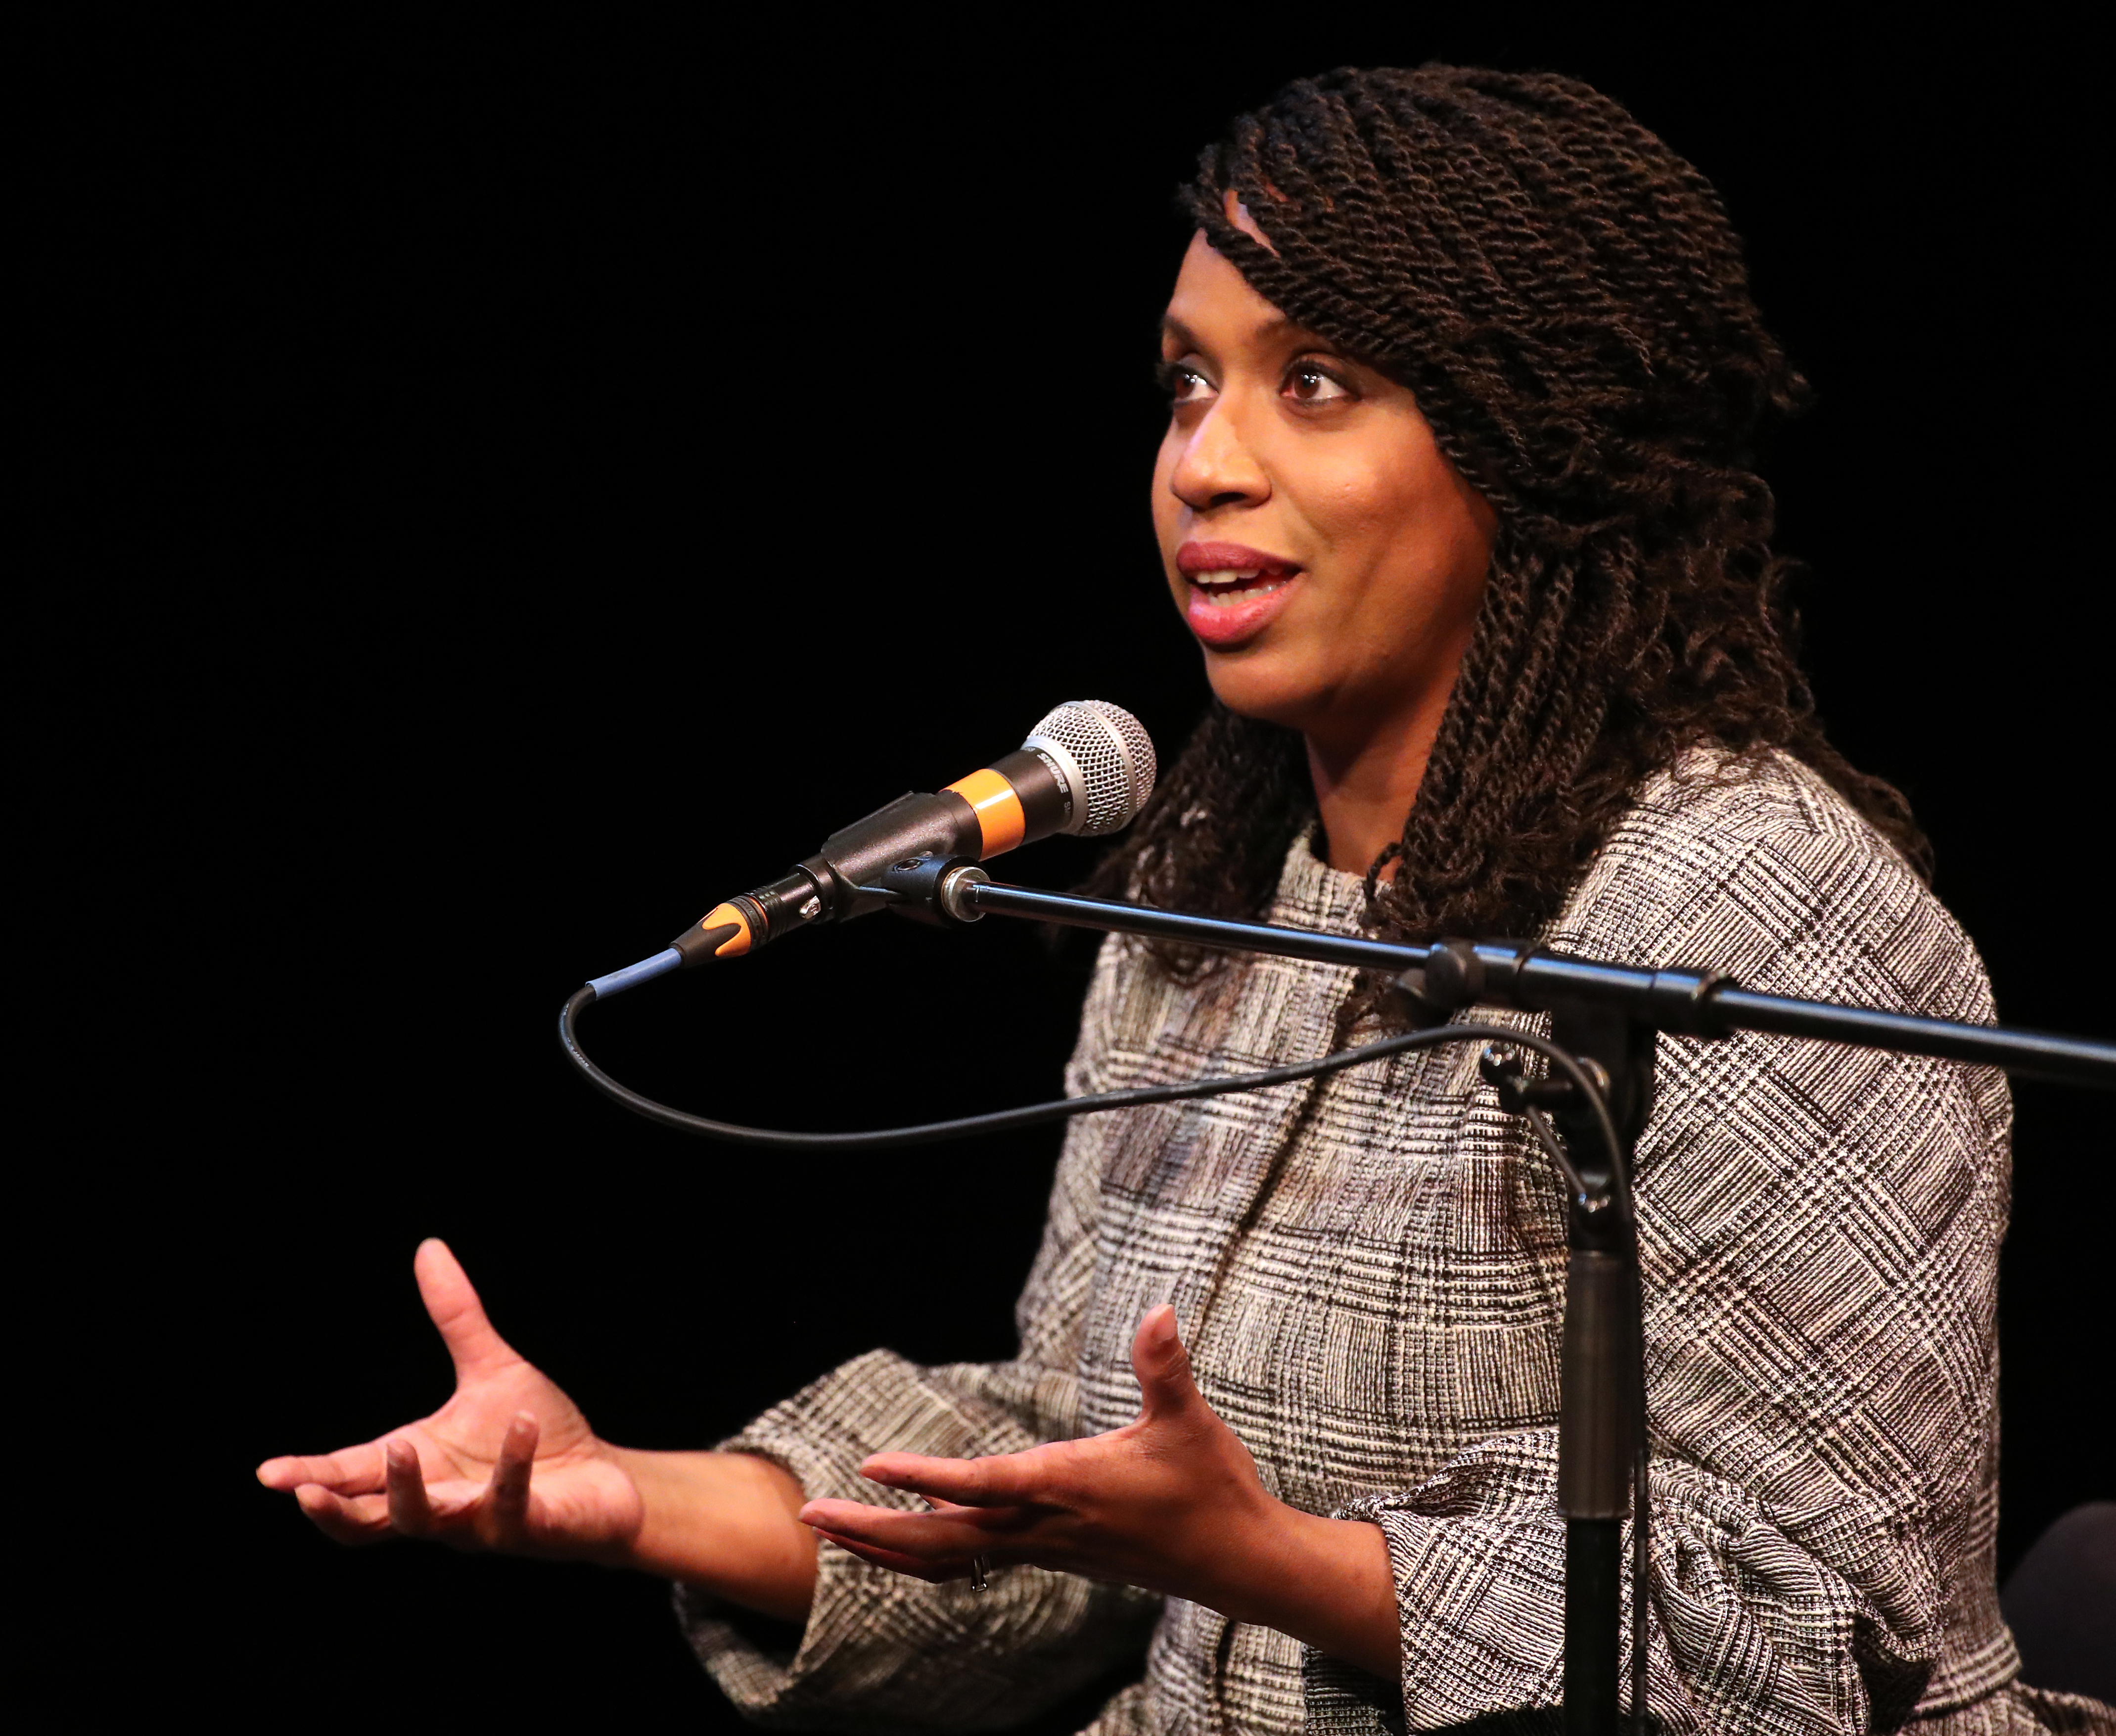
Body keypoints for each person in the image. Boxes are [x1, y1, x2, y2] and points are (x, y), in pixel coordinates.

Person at [256, 67, 2113, 1735]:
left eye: (1317, 383)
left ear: (1540, 444)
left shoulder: (1754, 907)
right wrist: (621, 1490)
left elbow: (1828, 1651)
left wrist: (1266, 1559)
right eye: (1189, 382)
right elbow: (1080, 1481)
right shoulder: (1204, 901)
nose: (1205, 463)